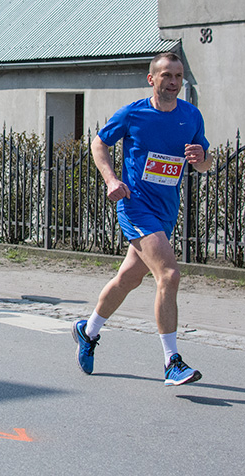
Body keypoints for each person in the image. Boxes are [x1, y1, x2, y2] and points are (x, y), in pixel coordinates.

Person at [73, 52, 212, 386]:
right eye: (167, 75)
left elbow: (204, 163)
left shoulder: (191, 116)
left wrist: (201, 158)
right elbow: (98, 144)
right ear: (152, 79)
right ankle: (172, 362)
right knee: (169, 274)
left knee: (128, 279)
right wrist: (111, 180)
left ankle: (87, 331)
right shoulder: (134, 114)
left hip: (165, 210)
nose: (174, 82)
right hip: (135, 207)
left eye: (178, 76)